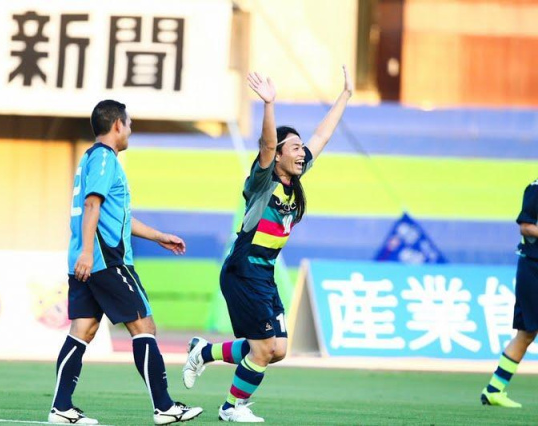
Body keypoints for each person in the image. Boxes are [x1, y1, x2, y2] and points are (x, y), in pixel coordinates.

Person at [182, 67, 353, 422]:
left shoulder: (295, 178)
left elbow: (322, 135)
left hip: (265, 275)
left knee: (278, 349)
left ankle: (203, 352)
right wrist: (269, 104)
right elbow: (266, 144)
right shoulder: (263, 181)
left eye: (301, 148)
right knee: (262, 349)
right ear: (278, 156)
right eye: (294, 148)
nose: (302, 153)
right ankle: (231, 407)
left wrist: (346, 95)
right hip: (243, 271)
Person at [48, 100, 203, 425]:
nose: (130, 130)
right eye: (129, 124)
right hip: (106, 261)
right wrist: (89, 252)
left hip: (88, 260)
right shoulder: (105, 158)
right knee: (144, 326)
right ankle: (164, 407)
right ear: (117, 124)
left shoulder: (91, 158)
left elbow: (118, 217)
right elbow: (92, 205)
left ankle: (60, 408)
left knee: (83, 330)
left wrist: (158, 236)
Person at [481, 178, 538, 408]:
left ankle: (493, 390)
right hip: (533, 268)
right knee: (526, 333)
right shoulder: (535, 189)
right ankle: (494, 390)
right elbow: (526, 226)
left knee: (526, 334)